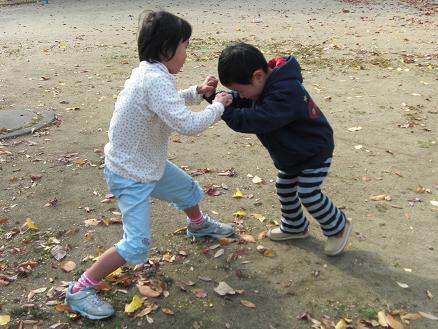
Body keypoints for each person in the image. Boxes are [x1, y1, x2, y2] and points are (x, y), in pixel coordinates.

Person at [65, 11, 234, 320]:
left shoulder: (151, 74)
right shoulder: (153, 80)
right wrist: (219, 105)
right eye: (185, 45)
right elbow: (186, 125)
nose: (186, 53)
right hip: (130, 174)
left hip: (147, 164)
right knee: (136, 245)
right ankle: (80, 290)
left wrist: (197, 93)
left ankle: (198, 226)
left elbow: (167, 102)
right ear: (167, 48)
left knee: (188, 191)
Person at [217, 43, 352, 257]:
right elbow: (243, 100)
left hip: (313, 151)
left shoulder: (286, 92)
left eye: (241, 90)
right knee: (284, 187)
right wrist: (223, 99)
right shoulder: (261, 86)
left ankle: (338, 227)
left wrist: (223, 110)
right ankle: (295, 226)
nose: (242, 95)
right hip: (292, 153)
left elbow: (256, 120)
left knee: (308, 193)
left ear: (258, 76)